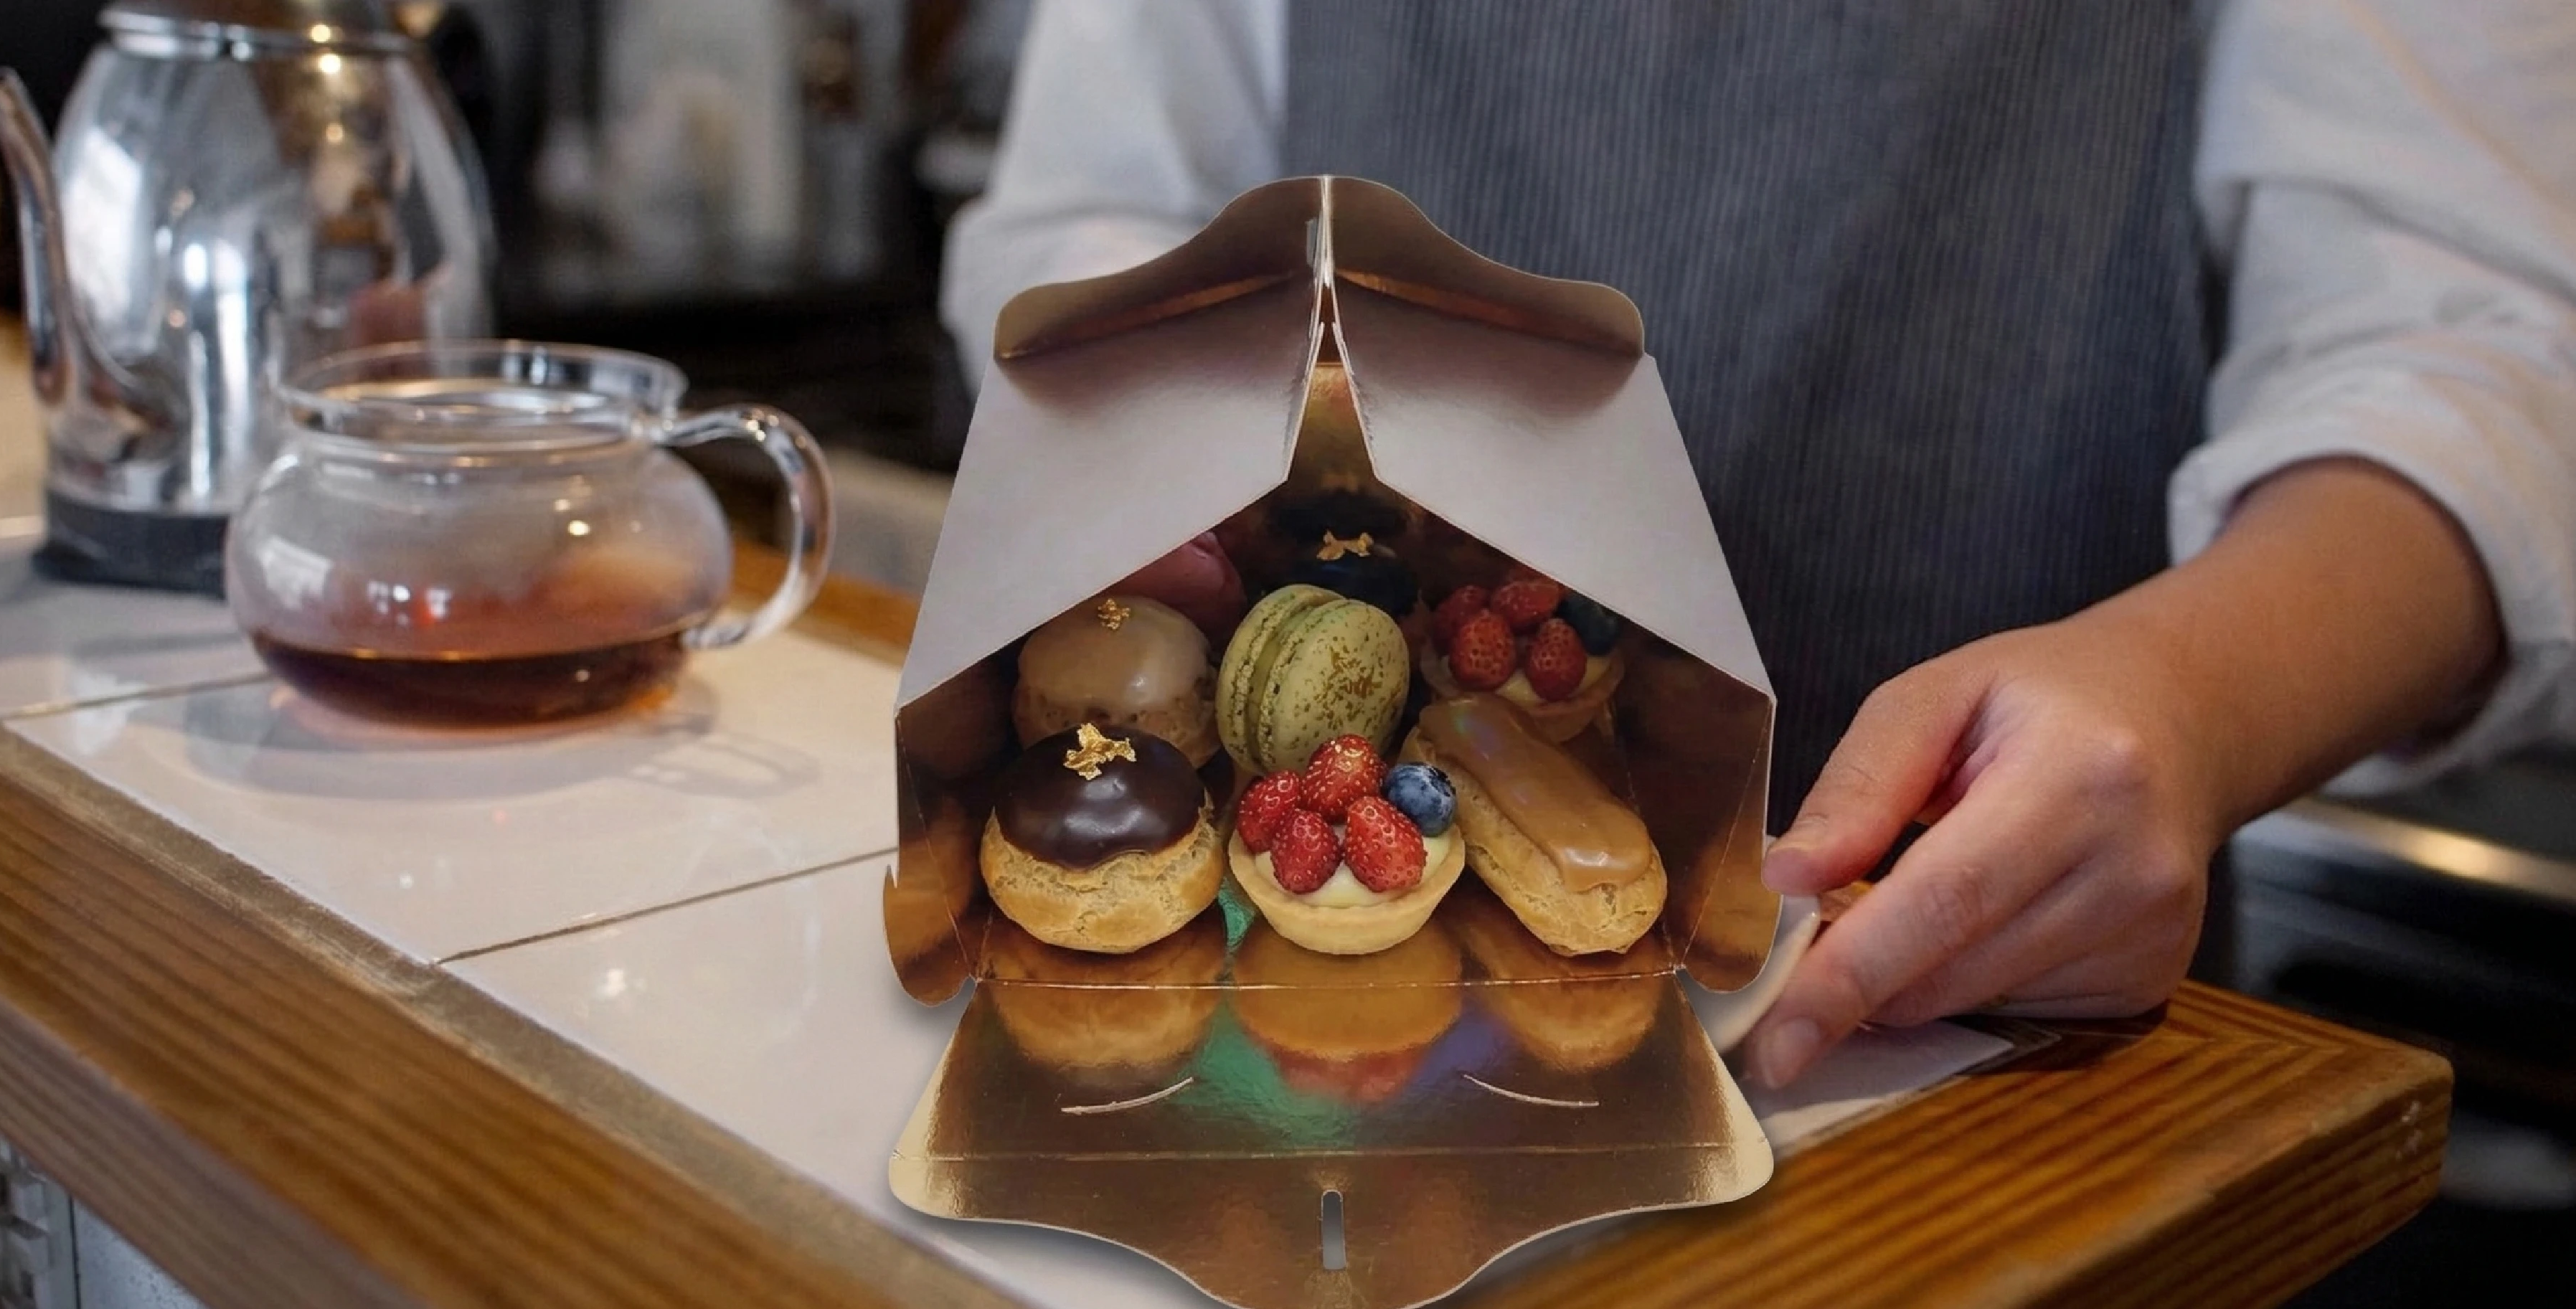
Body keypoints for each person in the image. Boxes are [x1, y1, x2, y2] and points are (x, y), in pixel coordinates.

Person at [938, 2, 2576, 1087]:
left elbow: (2481, 364)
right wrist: (1157, 427)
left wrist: (2194, 699)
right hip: (1312, 1064)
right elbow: (1097, 212)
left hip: (1967, 1044)